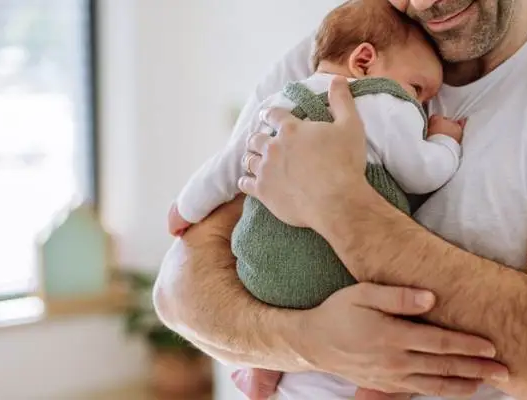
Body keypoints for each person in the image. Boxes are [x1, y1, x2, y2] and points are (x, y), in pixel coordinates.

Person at [154, 0, 527, 399]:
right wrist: (306, 339)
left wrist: (336, 201)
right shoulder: (337, 53)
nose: (424, 3)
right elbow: (179, 293)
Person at [166, 2, 465, 397]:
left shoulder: (281, 100)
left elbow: (229, 166)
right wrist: (445, 140)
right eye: (418, 88)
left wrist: (184, 208)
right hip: (336, 275)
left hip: (262, 269)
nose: (423, 105)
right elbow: (422, 171)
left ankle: (263, 364)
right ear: (364, 60)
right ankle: (376, 389)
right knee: (403, 309)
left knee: (271, 307)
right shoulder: (385, 103)